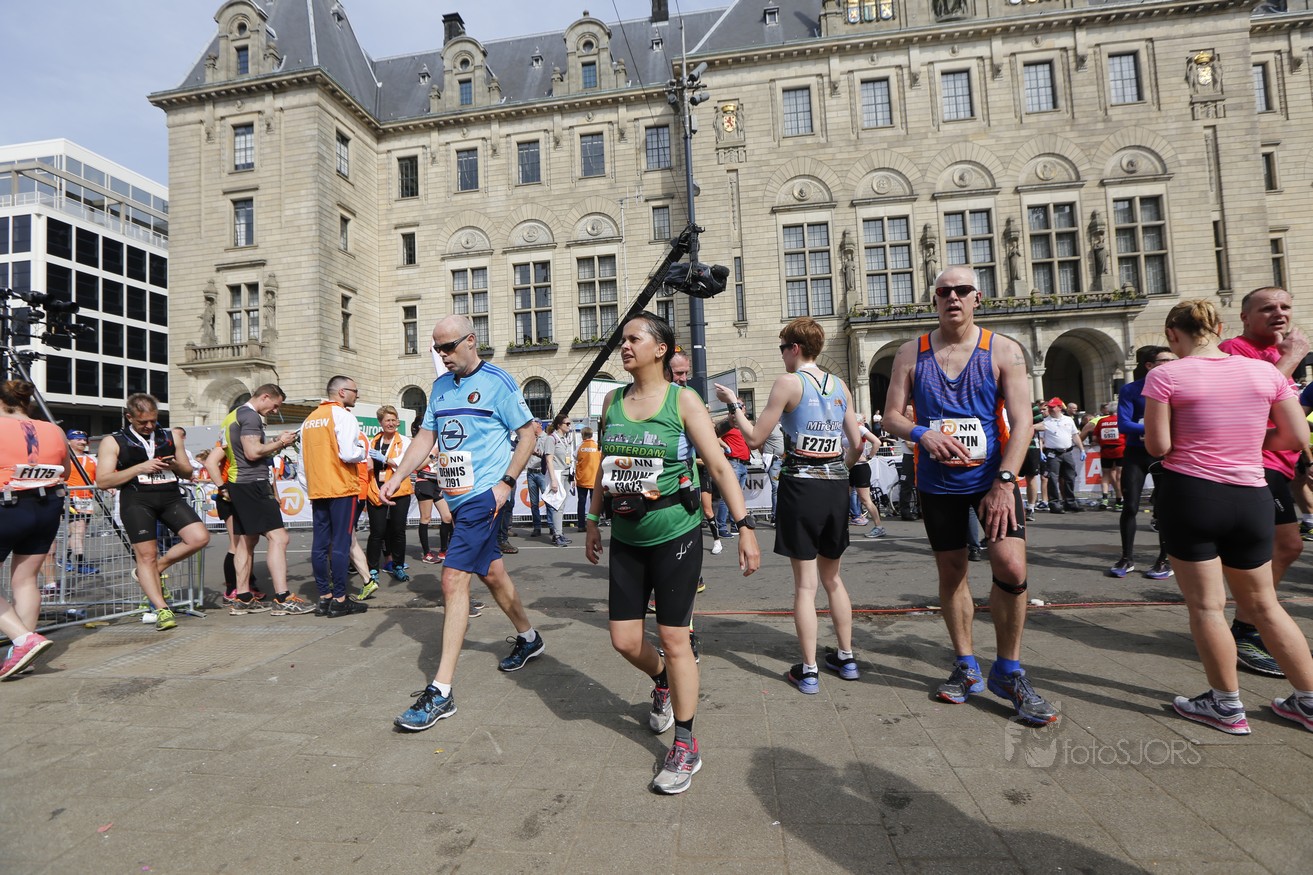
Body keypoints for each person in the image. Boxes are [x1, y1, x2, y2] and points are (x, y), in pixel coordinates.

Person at [589, 312, 760, 794]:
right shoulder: (612, 401)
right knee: (624, 641)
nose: (624, 346)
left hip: (675, 534)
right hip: (626, 536)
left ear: (660, 349)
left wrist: (745, 527)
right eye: (622, 340)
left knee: (674, 636)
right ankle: (662, 680)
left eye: (634, 339)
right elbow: (605, 465)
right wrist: (592, 520)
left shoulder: (682, 400)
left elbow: (719, 467)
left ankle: (685, 743)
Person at [883, 266, 1058, 725]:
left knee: (1012, 567)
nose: (953, 298)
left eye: (962, 290)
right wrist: (921, 433)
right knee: (952, 571)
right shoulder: (911, 352)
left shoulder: (1003, 350)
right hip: (937, 483)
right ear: (935, 300)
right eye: (944, 292)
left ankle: (1009, 670)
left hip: (991, 480)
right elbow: (891, 416)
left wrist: (1005, 481)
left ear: (977, 298)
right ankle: (965, 664)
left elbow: (1023, 422)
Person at [1144, 300, 1313, 735]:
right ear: (1219, 328)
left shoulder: (1165, 375)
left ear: (1172, 335)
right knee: (1264, 604)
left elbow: (1158, 446)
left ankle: (1225, 705)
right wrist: (1247, 438)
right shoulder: (1265, 373)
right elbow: (1297, 436)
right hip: (1251, 496)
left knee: (1207, 606)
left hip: (1192, 495)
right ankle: (1309, 701)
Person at [385, 315, 544, 731]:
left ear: (471, 341)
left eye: (448, 347)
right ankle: (530, 638)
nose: (442, 354)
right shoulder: (440, 387)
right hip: (457, 498)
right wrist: (399, 475)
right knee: (492, 572)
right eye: (436, 348)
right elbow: (426, 437)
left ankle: (441, 691)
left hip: (484, 497)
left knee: (453, 579)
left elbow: (529, 433)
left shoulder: (499, 382)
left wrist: (506, 483)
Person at [716, 315, 864, 695]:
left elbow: (754, 438)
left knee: (805, 586)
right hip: (835, 487)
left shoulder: (789, 382)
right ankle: (847, 658)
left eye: (783, 348)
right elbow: (857, 444)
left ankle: (810, 670)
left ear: (795, 348)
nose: (782, 355)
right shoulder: (840, 386)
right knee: (833, 579)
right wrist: (838, 469)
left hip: (801, 487)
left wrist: (734, 405)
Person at [1216, 286, 1310, 676]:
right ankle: (1246, 628)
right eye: (1267, 308)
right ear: (1245, 317)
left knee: (1280, 548)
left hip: (1281, 463)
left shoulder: (1277, 353)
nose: (1279, 313)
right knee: (1284, 545)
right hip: (1254, 463)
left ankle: (1248, 625)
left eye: (1285, 306)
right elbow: (1250, 400)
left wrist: (1305, 457)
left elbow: (1290, 411)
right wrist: (1291, 357)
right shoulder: (1233, 351)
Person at [97, 394, 210, 632]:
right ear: (129, 417)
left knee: (199, 538)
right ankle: (162, 609)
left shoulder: (170, 436)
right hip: (137, 500)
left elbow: (187, 471)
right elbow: (103, 480)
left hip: (169, 496)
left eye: (153, 420)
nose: (149, 426)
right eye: (143, 422)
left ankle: (152, 571)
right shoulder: (113, 441)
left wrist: (174, 465)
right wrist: (139, 467)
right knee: (146, 555)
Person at [218, 384, 312, 615]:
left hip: (238, 483)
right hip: (253, 483)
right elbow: (252, 453)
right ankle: (282, 598)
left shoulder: (233, 415)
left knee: (245, 541)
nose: (275, 411)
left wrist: (273, 443)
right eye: (275, 405)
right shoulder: (250, 416)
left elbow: (239, 450)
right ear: (265, 397)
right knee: (279, 538)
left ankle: (243, 597)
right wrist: (281, 442)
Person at [0, 380, 67, 678]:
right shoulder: (54, 430)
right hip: (46, 506)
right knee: (26, 580)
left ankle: (24, 640)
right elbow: (65, 468)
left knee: (25, 580)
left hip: (7, 505)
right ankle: (23, 653)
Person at [298, 375, 370, 617]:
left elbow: (301, 462)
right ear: (341, 392)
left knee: (320, 544)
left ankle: (324, 598)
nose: (357, 395)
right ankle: (340, 598)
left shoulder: (309, 420)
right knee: (341, 543)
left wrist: (311, 487)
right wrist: (363, 451)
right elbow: (349, 453)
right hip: (341, 488)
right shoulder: (343, 416)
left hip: (318, 489)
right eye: (355, 391)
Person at [1112, 347, 1175, 580]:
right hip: (1136, 454)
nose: (1171, 363)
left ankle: (1164, 559)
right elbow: (1123, 424)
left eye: (1173, 359)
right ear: (1149, 365)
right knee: (1130, 506)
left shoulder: (1178, 387)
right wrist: (1153, 429)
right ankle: (1126, 558)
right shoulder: (1131, 389)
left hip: (1164, 454)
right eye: (1165, 360)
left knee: (1165, 509)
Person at [670, 351, 722, 556]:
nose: (684, 379)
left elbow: (709, 435)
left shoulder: (689, 395)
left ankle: (715, 541)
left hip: (691, 476)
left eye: (686, 373)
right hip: (665, 481)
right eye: (678, 373)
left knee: (699, 515)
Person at [363, 405, 414, 591]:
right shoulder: (373, 441)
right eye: (387, 420)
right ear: (381, 423)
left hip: (399, 490)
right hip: (376, 490)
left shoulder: (405, 441)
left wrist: (384, 459)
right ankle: (372, 569)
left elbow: (405, 463)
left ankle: (398, 566)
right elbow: (367, 464)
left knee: (398, 530)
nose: (391, 423)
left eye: (394, 420)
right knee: (377, 532)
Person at [62, 429, 100, 576]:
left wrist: (108, 487)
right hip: (71, 498)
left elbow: (98, 477)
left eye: (84, 439)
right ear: (68, 441)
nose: (82, 442)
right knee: (79, 530)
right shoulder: (64, 458)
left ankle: (65, 559)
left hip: (86, 499)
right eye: (78, 439)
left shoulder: (91, 459)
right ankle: (81, 563)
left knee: (78, 533)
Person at [1038, 398, 1082, 513]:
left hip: (1067, 452)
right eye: (1049, 407)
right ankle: (1054, 503)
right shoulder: (1045, 421)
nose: (1050, 409)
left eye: (1053, 407)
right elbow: (1041, 439)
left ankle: (1070, 502)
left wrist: (1082, 449)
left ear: (1059, 407)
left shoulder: (1068, 420)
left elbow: (1075, 435)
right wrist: (1041, 452)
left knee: (1070, 477)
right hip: (1052, 453)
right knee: (1052, 479)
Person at [1080, 402, 1124, 510]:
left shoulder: (1101, 421)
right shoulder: (1121, 420)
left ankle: (1104, 499)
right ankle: (1119, 501)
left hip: (1105, 451)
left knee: (1105, 474)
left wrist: (1102, 442)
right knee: (1119, 476)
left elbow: (1094, 438)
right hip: (1120, 450)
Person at [713, 418, 752, 538]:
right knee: (728, 496)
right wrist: (725, 446)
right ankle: (721, 527)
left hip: (743, 463)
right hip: (734, 462)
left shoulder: (741, 428)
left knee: (737, 497)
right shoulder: (729, 428)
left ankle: (735, 525)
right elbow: (714, 435)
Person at [848, 421, 887, 539]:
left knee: (865, 500)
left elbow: (877, 442)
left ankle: (879, 527)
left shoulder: (858, 428)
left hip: (860, 467)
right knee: (842, 498)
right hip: (847, 467)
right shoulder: (840, 428)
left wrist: (869, 457)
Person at [545, 413, 573, 546]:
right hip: (558, 473)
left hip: (566, 473)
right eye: (567, 423)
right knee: (558, 505)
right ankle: (557, 535)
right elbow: (549, 460)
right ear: (559, 425)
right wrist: (553, 480)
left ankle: (559, 533)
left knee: (562, 505)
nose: (569, 426)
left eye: (569, 423)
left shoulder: (566, 438)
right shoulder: (552, 439)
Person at [523, 421, 552, 537]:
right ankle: (537, 527)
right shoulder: (530, 438)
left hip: (541, 472)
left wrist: (536, 454)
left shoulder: (546, 438)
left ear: (539, 425)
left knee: (548, 500)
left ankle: (551, 526)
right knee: (534, 503)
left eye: (532, 425)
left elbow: (547, 456)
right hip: (530, 472)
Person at [574, 426, 599, 532]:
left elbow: (575, 457)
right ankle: (594, 525)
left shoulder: (580, 446)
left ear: (582, 435)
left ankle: (581, 525)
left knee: (581, 503)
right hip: (594, 479)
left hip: (582, 479)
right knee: (595, 504)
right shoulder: (597, 446)